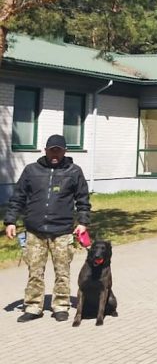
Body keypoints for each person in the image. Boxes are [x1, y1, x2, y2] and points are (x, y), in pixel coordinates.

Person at [3, 134, 91, 323]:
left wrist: (83, 222)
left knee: (62, 271)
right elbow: (17, 197)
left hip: (62, 230)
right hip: (35, 231)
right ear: (45, 150)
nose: (55, 154)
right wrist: (10, 221)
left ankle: (60, 305)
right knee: (35, 271)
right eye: (52, 150)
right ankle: (33, 306)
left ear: (64, 151)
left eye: (58, 151)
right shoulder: (31, 171)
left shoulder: (74, 171)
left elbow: (83, 200)